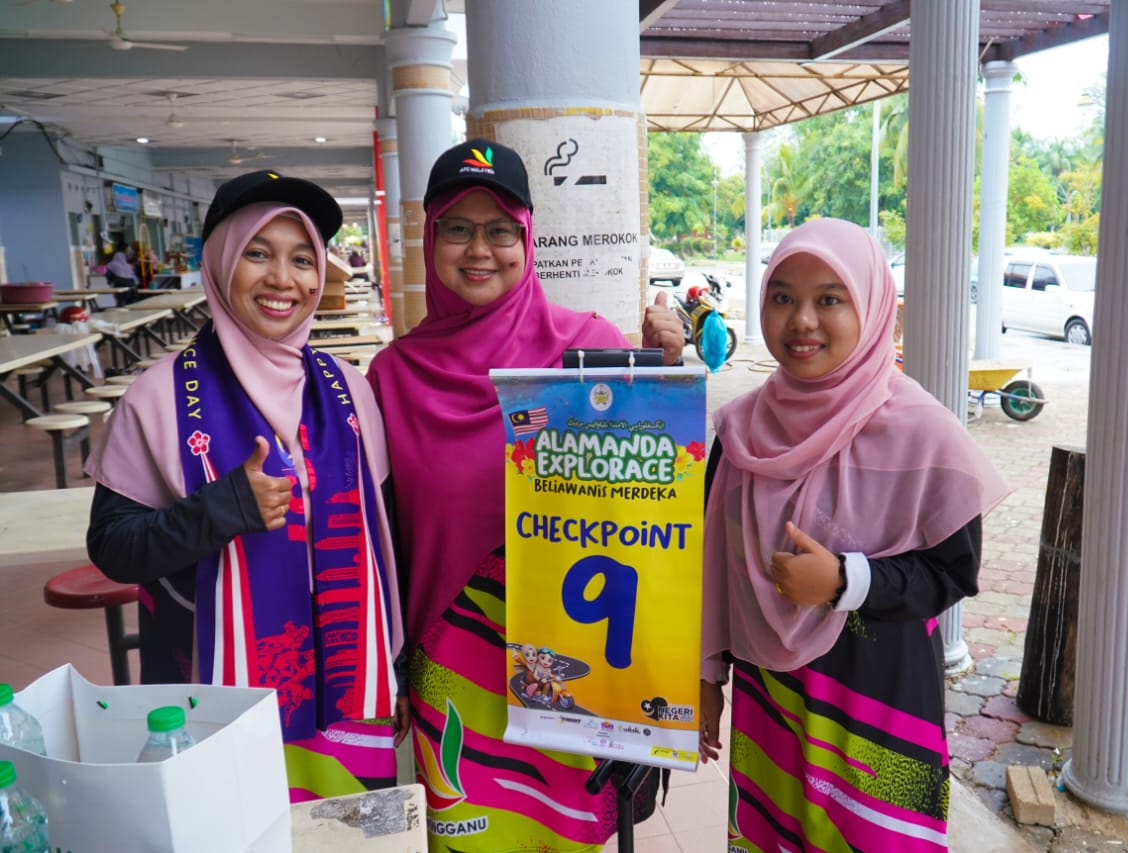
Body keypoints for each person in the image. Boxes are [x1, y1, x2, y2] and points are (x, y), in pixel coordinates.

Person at [365, 138, 683, 851]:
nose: (480, 249)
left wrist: (661, 382)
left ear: (527, 238)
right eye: (458, 227)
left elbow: (648, 504)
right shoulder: (392, 377)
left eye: (501, 229)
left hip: (572, 661)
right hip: (451, 662)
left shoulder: (587, 349)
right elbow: (382, 546)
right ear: (431, 238)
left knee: (562, 834)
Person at [84, 170, 404, 803]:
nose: (283, 279)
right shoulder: (158, 397)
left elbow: (387, 537)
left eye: (302, 259)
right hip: (208, 685)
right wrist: (220, 508)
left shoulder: (349, 389)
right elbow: (113, 548)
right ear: (220, 264)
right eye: (258, 254)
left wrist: (399, 660)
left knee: (344, 829)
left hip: (347, 683)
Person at [698, 219, 1010, 851]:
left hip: (878, 705)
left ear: (871, 308)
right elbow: (714, 569)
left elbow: (953, 573)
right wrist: (708, 678)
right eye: (782, 297)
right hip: (770, 695)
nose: (801, 320)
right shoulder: (740, 432)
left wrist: (846, 580)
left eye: (829, 299)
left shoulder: (924, 433)